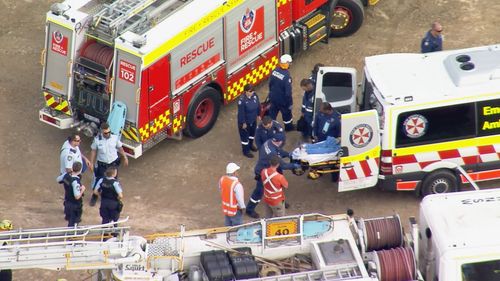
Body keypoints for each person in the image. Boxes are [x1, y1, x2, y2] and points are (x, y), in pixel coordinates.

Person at [246, 133, 300, 218]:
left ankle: (280, 202)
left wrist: (288, 154)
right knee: (259, 191)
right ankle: (249, 209)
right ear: (280, 141)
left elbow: (279, 151)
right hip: (263, 172)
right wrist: (294, 166)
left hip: (269, 168)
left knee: (277, 187)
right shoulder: (272, 153)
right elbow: (283, 165)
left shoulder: (269, 142)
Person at [89, 122, 128, 206]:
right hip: (102, 164)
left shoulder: (114, 137)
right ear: (102, 132)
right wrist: (91, 163)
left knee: (114, 181)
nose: (108, 134)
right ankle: (94, 196)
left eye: (109, 132)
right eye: (106, 133)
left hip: (113, 164)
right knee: (99, 180)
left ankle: (114, 197)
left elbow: (120, 148)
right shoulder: (97, 140)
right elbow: (93, 151)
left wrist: (125, 157)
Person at [269, 54, 294, 131]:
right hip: (283, 101)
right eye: (289, 63)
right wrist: (290, 103)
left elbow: (270, 84)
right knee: (287, 116)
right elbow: (288, 93)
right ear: (286, 63)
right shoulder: (286, 76)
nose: (290, 64)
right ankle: (288, 128)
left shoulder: (274, 71)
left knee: (272, 115)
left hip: (273, 98)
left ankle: (271, 129)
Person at [57, 162, 86, 227]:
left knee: (70, 220)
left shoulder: (66, 175)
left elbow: (58, 180)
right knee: (73, 222)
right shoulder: (75, 182)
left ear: (72, 167)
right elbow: (77, 196)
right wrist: (82, 190)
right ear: (80, 170)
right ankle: (71, 236)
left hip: (67, 201)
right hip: (75, 205)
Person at [237, 84, 261, 158]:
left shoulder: (255, 96)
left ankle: (251, 145)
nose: (252, 92)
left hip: (253, 120)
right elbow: (241, 113)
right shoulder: (242, 101)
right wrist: (243, 122)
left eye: (253, 91)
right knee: (244, 137)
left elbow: (258, 105)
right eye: (250, 91)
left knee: (252, 134)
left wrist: (258, 114)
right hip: (245, 122)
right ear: (246, 91)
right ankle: (246, 151)